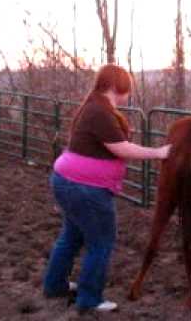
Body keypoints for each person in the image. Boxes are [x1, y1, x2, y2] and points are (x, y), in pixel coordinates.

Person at [42, 64, 171, 314]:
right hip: (85, 189)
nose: (128, 94)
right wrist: (158, 152)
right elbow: (121, 148)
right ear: (115, 87)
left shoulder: (93, 107)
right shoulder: (99, 112)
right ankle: (89, 299)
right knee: (102, 241)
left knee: (72, 236)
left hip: (68, 181)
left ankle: (55, 285)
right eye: (127, 88)